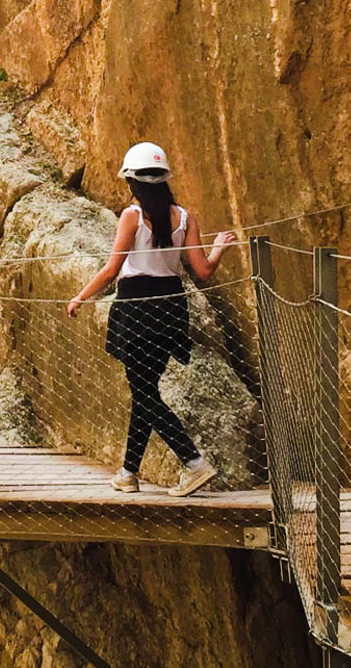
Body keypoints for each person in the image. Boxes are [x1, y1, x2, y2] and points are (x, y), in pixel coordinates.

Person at [67, 142, 236, 496]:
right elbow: (202, 270)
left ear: (132, 181)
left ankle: (193, 463)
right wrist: (219, 245)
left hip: (136, 307)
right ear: (164, 179)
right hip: (171, 307)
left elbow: (113, 268)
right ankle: (128, 472)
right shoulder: (186, 218)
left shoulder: (132, 216)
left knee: (144, 392)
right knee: (146, 389)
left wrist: (81, 296)